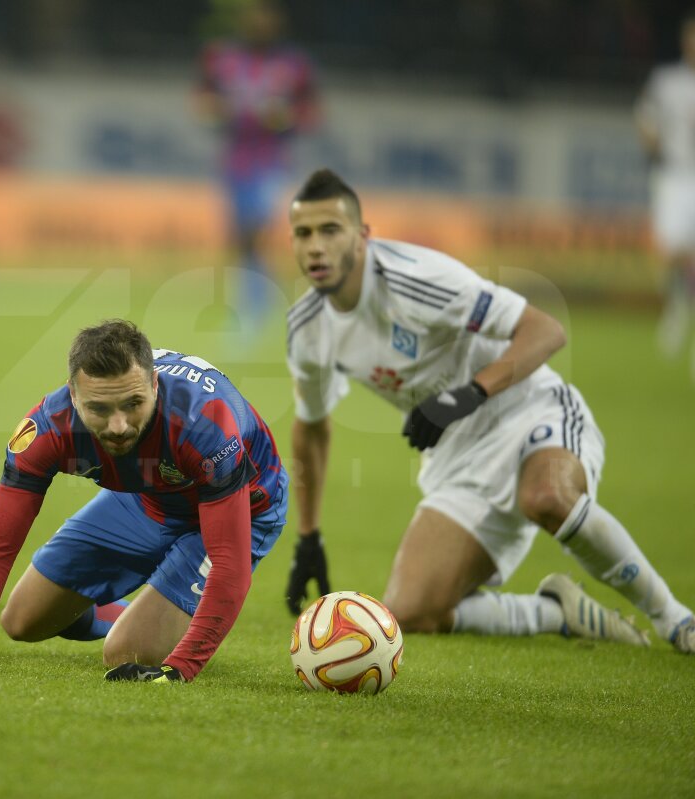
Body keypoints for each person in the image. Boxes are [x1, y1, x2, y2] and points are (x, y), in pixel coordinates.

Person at [282, 168, 694, 654]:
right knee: (410, 612)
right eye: (303, 234)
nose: (315, 247)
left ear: (362, 235)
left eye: (330, 230)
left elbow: (544, 330)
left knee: (547, 496)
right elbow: (311, 428)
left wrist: (467, 395)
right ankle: (555, 611)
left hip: (528, 408)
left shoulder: (417, 278)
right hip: (458, 454)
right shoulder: (307, 327)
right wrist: (309, 536)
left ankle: (674, 619)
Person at [0, 320, 288, 682]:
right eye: (99, 409)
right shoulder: (48, 430)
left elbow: (230, 562)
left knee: (125, 652)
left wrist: (181, 668)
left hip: (245, 507)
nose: (118, 426)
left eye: (133, 404)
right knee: (22, 620)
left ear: (155, 385)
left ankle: (160, 625)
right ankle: (145, 618)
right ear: (73, 395)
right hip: (149, 500)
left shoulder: (204, 422)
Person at [195, 0, 319, 334]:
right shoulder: (223, 58)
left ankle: (255, 307)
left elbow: (311, 111)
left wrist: (284, 118)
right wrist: (219, 110)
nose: (260, 23)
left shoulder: (293, 63)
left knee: (256, 230)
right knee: (241, 236)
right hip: (235, 159)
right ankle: (259, 301)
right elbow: (202, 100)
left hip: (271, 160)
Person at [635, 11, 695, 376]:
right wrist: (651, 140)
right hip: (673, 175)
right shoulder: (667, 80)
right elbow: (644, 115)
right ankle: (677, 307)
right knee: (672, 251)